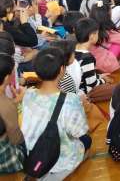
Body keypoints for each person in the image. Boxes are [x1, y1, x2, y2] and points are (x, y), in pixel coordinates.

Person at [22, 47, 91, 180]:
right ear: (61, 69)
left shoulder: (28, 94)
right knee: (87, 139)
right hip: (60, 160)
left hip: (33, 152)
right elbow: (79, 131)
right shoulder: (70, 100)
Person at [74, 18, 114, 102]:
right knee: (115, 89)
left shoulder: (73, 50)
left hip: (75, 88)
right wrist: (104, 80)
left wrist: (99, 76)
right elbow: (92, 85)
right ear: (92, 36)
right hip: (83, 93)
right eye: (97, 33)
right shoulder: (87, 57)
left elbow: (84, 75)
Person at [0, 53, 26, 174]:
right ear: (6, 77)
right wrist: (18, 104)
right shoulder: (7, 105)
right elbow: (16, 138)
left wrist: (15, 102)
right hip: (7, 157)